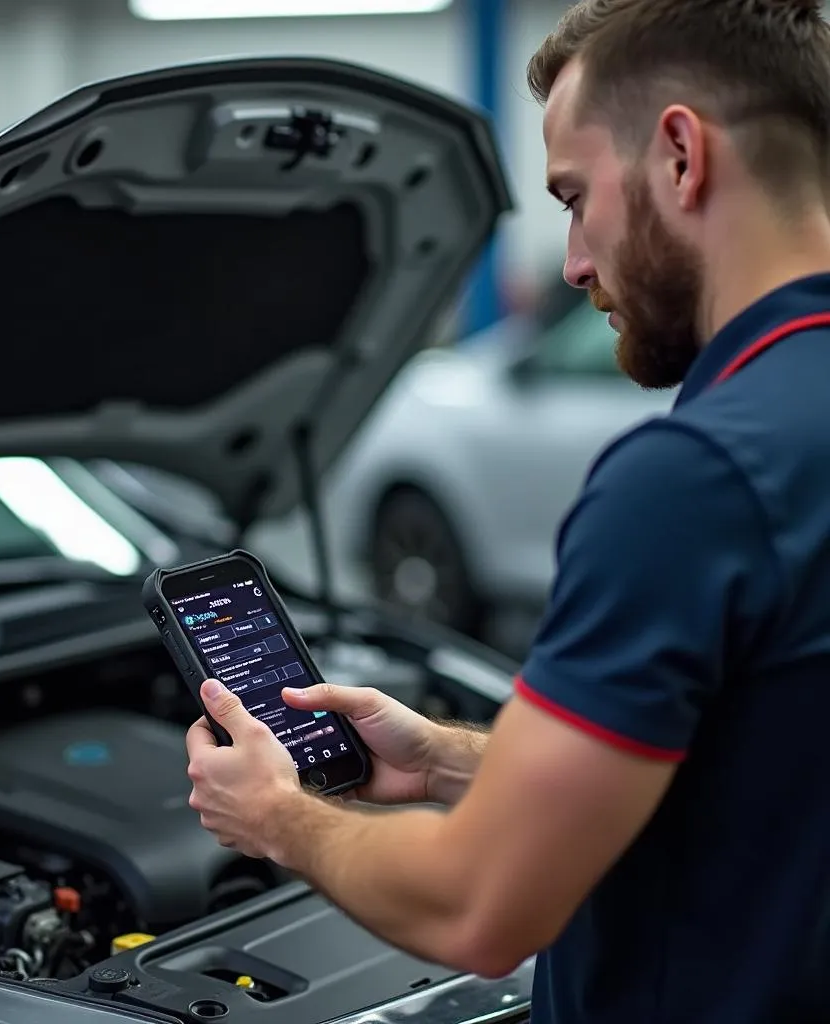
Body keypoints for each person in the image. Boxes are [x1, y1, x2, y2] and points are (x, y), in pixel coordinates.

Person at [183, 1, 830, 1020]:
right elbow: (754, 765)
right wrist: (449, 758)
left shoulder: (695, 478)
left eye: (575, 197)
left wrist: (276, 815)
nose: (572, 260)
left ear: (677, 154)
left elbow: (478, 909)